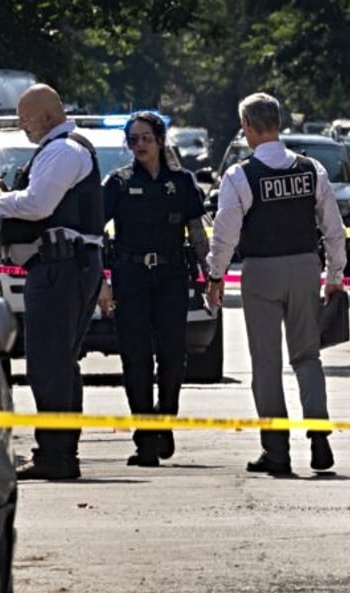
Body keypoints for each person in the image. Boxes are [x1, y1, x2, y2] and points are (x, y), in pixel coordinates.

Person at [0, 83, 104, 480]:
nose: (22, 125)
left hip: (60, 267)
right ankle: (59, 452)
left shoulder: (62, 150)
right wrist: (7, 195)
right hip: (62, 267)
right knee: (58, 364)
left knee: (48, 365)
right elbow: (42, 205)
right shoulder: (61, 150)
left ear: (47, 115)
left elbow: (39, 206)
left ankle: (56, 456)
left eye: (25, 117)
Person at [206, 92, 347, 476]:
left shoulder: (240, 175)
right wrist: (334, 277)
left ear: (248, 127)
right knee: (307, 356)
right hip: (305, 268)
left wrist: (214, 275)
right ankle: (319, 438)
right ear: (279, 123)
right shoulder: (311, 169)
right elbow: (334, 231)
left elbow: (225, 235)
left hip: (261, 271)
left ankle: (277, 450)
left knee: (266, 364)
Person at [102, 111, 209, 467]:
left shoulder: (181, 182)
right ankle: (145, 438)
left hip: (171, 276)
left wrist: (212, 273)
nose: (140, 145)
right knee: (135, 358)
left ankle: (166, 419)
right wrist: (101, 278)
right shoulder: (117, 182)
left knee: (173, 355)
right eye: (133, 140)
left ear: (160, 140)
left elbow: (196, 230)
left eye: (146, 138)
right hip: (130, 275)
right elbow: (94, 229)